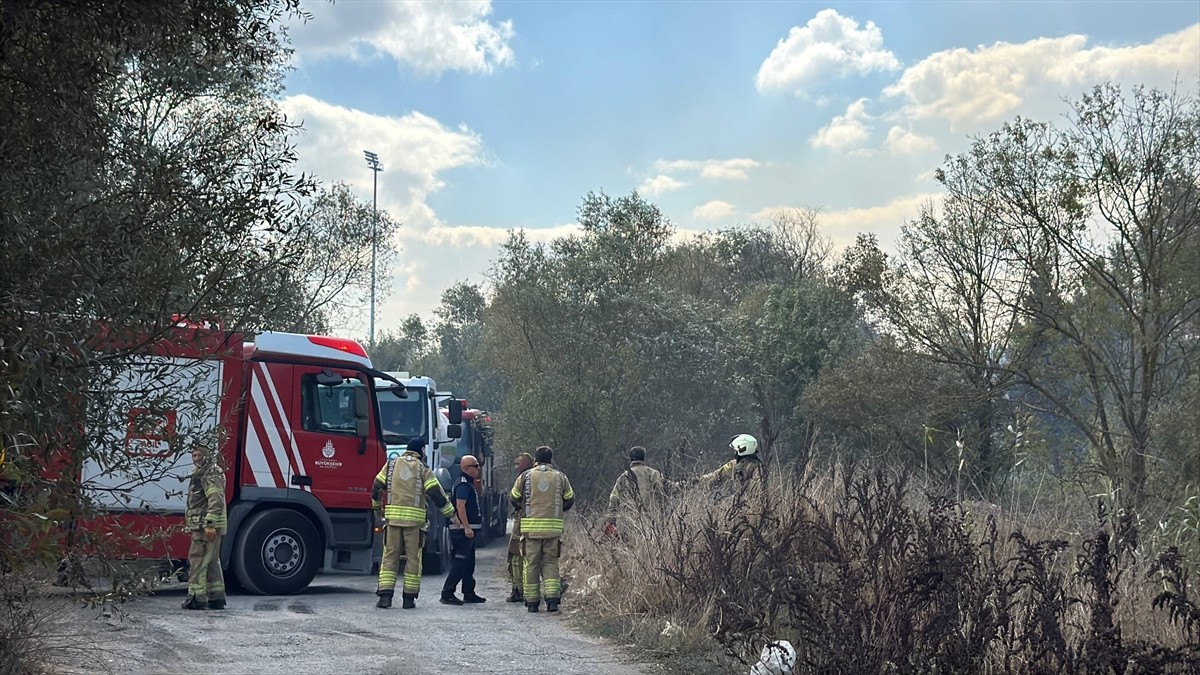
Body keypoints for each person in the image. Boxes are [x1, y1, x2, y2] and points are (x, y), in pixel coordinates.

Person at [371, 437, 457, 609]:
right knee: (413, 559)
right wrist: (451, 515)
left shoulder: (391, 465)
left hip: (393, 521)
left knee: (389, 558)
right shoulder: (422, 468)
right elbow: (435, 493)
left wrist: (376, 508)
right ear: (421, 450)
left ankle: (385, 597)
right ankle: (408, 599)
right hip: (414, 524)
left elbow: (376, 485)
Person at [510, 446, 574, 613]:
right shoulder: (561, 477)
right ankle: (552, 600)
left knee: (531, 564)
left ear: (535, 460)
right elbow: (569, 499)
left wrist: (522, 507)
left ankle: (532, 602)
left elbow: (514, 497)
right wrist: (558, 511)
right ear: (551, 459)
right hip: (553, 529)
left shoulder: (525, 476)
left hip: (530, 530)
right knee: (551, 562)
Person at [182, 444, 227, 610]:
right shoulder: (205, 471)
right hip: (205, 525)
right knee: (211, 562)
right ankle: (216, 597)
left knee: (198, 560)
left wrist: (210, 523)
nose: (196, 459)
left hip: (205, 526)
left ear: (206, 455)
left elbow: (216, 498)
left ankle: (196, 597)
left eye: (199, 455)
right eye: (194, 456)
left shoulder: (210, 473)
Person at [440, 454, 487, 605]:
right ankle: (447, 593)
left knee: (469, 563)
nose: (478, 469)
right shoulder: (462, 484)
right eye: (475, 466)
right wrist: (466, 527)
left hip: (469, 530)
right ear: (466, 468)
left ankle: (469, 592)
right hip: (461, 531)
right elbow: (460, 506)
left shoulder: (468, 483)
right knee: (460, 562)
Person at [605, 446, 666, 537]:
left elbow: (614, 498)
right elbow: (665, 488)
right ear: (643, 458)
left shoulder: (623, 477)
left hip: (628, 522)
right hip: (649, 521)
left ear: (631, 459)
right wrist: (683, 484)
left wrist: (610, 520)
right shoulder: (652, 473)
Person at [506, 452, 534, 603]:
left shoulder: (524, 478)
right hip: (547, 524)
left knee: (516, 555)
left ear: (527, 464)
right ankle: (554, 590)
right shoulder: (553, 477)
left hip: (524, 522)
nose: (516, 467)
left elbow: (514, 498)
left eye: (518, 464)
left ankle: (518, 590)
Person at [698, 433, 762, 488]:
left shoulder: (757, 468)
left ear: (742, 449)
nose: (734, 452)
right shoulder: (733, 464)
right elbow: (717, 475)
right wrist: (698, 480)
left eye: (735, 450)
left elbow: (716, 476)